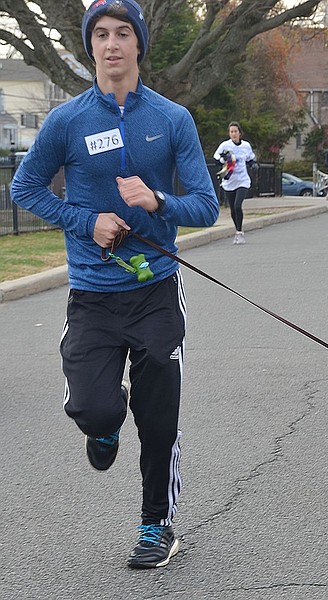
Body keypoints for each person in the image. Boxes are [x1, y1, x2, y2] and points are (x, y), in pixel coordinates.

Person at [11, 0, 219, 569]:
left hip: (156, 286)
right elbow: (25, 189)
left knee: (159, 415)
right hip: (93, 292)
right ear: (91, 47)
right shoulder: (68, 120)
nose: (111, 44)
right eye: (100, 34)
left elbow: (205, 205)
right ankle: (103, 426)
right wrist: (87, 221)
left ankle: (156, 524)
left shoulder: (172, 119)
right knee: (97, 410)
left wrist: (158, 202)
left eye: (122, 33)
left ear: (138, 44)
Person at [213, 122, 258, 244]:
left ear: (239, 133)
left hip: (242, 180)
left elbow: (250, 159)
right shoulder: (225, 145)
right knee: (233, 208)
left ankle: (239, 231)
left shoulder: (246, 146)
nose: (233, 134)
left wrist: (253, 165)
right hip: (229, 181)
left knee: (238, 205)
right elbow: (216, 158)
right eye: (231, 132)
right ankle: (237, 231)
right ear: (229, 133)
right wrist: (223, 159)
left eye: (235, 131)